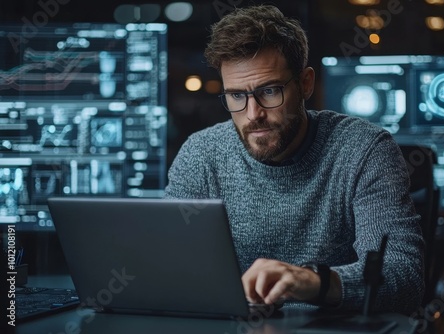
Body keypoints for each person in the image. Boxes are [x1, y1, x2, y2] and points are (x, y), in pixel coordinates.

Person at [164, 4, 424, 314]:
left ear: (305, 84)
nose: (253, 114)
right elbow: (169, 272)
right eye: (236, 96)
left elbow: (404, 278)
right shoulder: (201, 155)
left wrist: (313, 282)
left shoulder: (363, 150)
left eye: (270, 91)